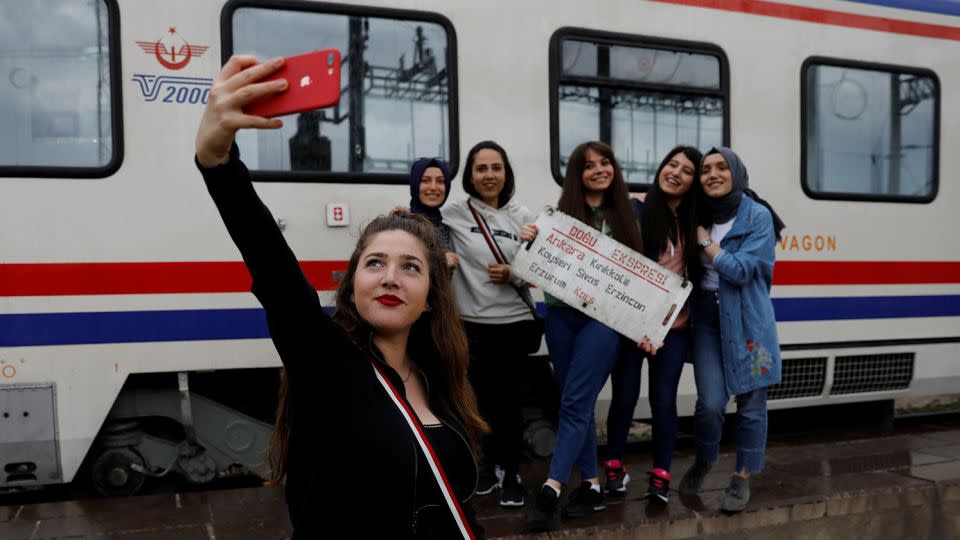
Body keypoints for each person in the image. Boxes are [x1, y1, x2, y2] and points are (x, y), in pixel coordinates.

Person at [194, 55, 488, 539]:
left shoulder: (441, 378)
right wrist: (218, 164)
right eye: (375, 263)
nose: (391, 277)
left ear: (431, 297)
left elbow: (454, 506)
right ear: (353, 285)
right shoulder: (326, 360)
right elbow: (273, 267)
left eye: (410, 267)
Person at [522, 141, 645, 530]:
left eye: (604, 163)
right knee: (579, 400)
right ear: (577, 175)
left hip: (602, 321)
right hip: (560, 317)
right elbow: (533, 267)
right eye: (588, 165)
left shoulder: (627, 218)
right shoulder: (557, 218)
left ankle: (552, 487)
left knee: (573, 402)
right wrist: (530, 240)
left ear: (614, 169)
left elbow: (639, 280)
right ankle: (591, 485)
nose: (598, 170)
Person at [678, 146, 785, 513]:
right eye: (705, 169)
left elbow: (740, 270)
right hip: (707, 317)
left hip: (749, 319)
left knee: (752, 404)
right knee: (709, 404)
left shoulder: (758, 216)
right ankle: (705, 458)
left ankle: (742, 474)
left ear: (737, 173)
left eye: (722, 167)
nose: (712, 174)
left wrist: (705, 241)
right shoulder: (697, 213)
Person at [603, 145, 703, 504]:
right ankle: (614, 465)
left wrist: (659, 329)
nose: (675, 172)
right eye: (671, 164)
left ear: (694, 181)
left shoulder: (696, 221)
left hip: (673, 329)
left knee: (663, 401)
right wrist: (643, 326)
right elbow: (623, 267)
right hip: (632, 324)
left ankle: (661, 474)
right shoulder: (636, 207)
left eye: (686, 170)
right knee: (625, 397)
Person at [441, 140, 536, 508]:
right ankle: (489, 466)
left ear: (506, 173)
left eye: (496, 168)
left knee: (509, 403)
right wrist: (405, 210)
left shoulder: (522, 215)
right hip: (471, 325)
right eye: (481, 169)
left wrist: (514, 273)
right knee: (477, 402)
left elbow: (541, 271)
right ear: (470, 175)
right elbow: (424, 221)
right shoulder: (455, 212)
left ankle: (512, 472)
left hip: (512, 324)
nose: (489, 176)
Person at [408, 157, 459, 271]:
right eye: (425, 180)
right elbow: (402, 266)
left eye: (440, 181)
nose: (433, 187)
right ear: (415, 184)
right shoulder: (403, 225)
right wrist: (439, 263)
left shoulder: (443, 227)